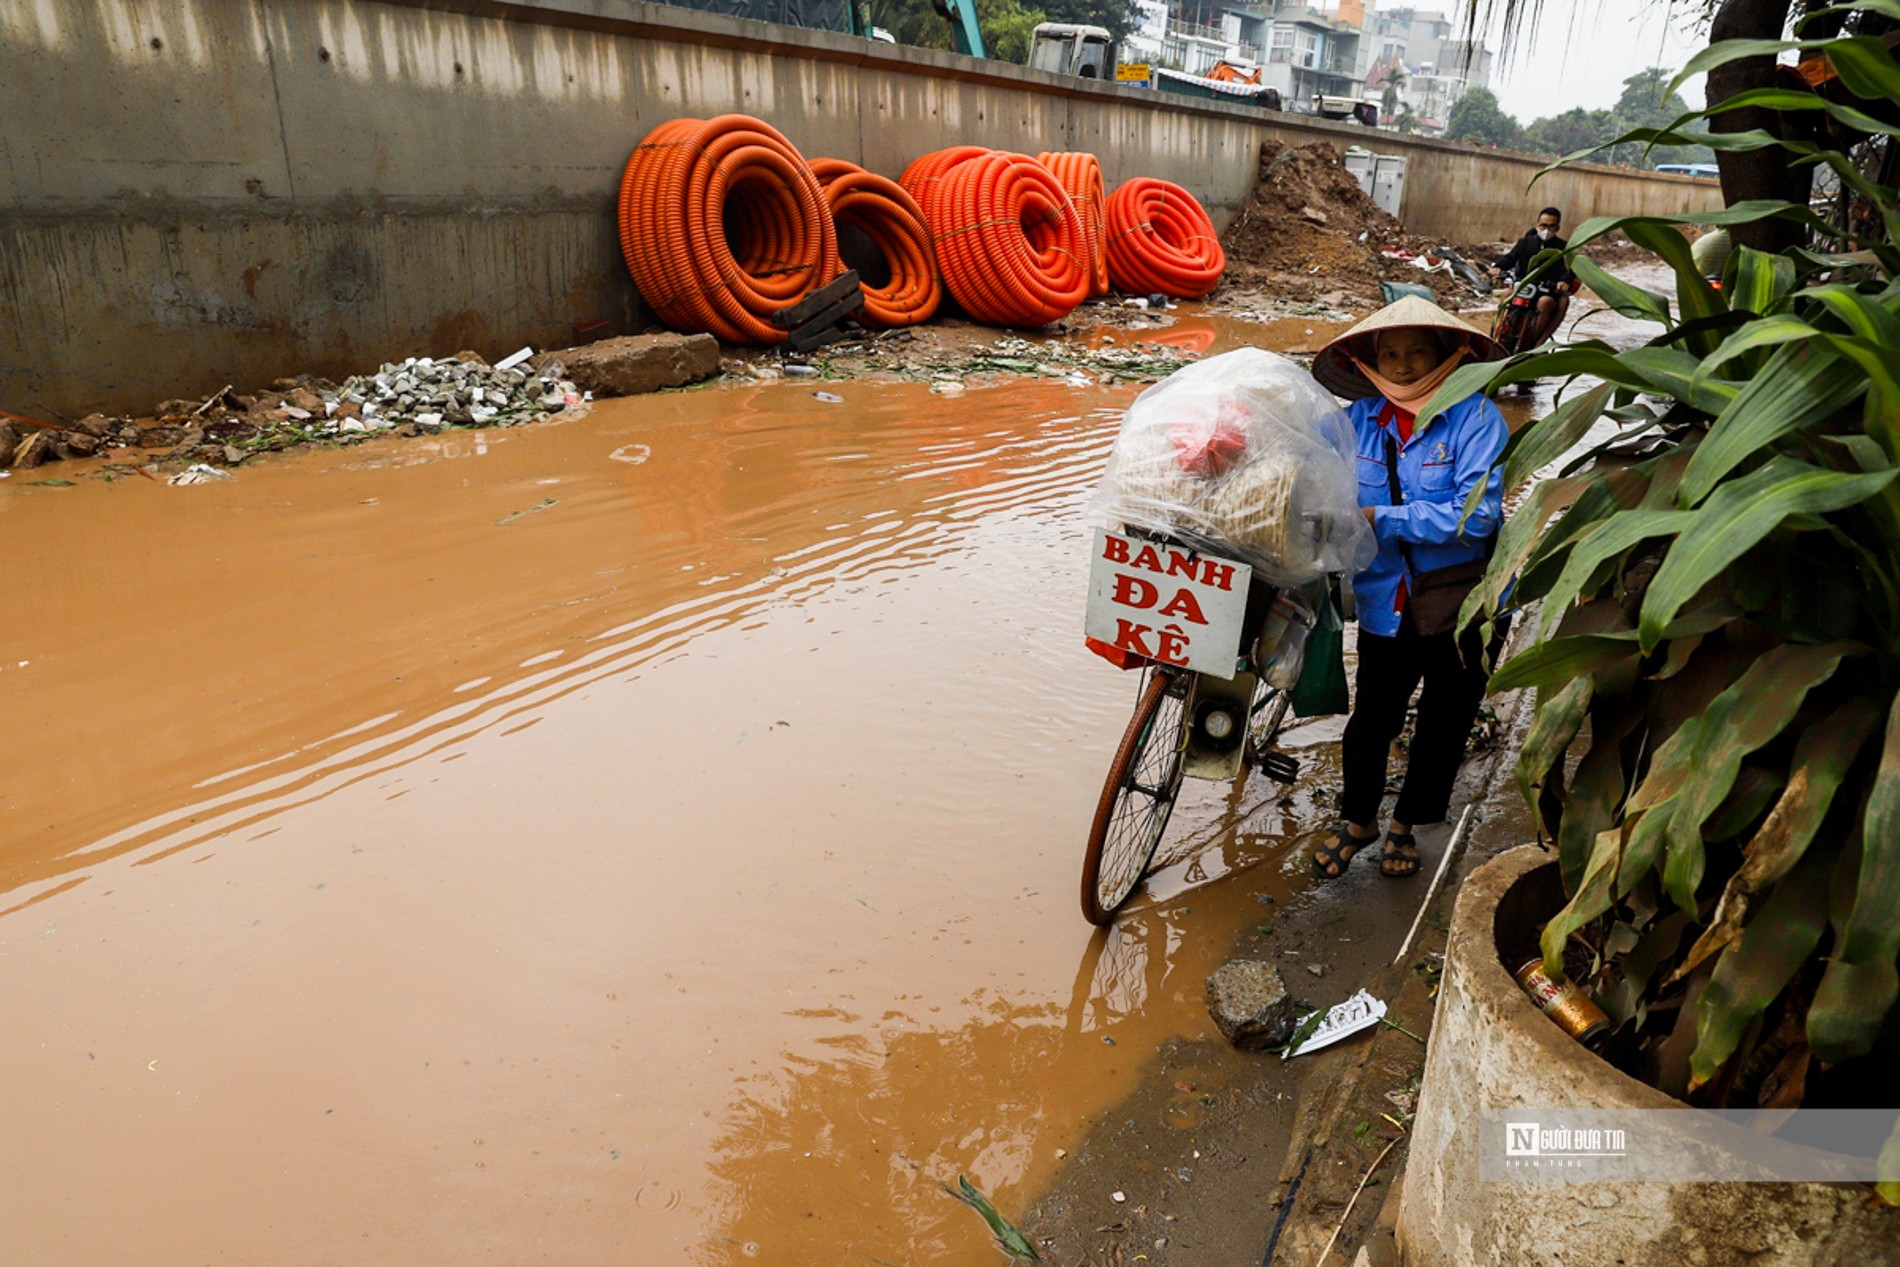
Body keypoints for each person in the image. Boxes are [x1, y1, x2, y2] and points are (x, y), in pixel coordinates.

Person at [1306, 297, 1508, 880]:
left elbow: (1476, 518)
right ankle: (1359, 821)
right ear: (1369, 361)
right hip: (1384, 602)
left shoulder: (1475, 419)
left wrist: (1380, 517)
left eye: (1416, 351)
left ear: (1445, 356)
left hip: (1465, 602)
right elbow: (1299, 460)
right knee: (1372, 719)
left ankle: (1405, 826)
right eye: (1388, 353)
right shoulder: (1354, 421)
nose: (1400, 365)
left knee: (1444, 721)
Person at [1489, 206, 1574, 346]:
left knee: (1545, 303)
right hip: (1522, 286)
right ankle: (1497, 335)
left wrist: (1563, 282)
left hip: (1547, 290)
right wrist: (1498, 267)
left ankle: (1535, 342)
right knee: (1505, 294)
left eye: (1552, 226)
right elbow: (1510, 258)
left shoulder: (1563, 248)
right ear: (1537, 225)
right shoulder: (1525, 243)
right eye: (1543, 225)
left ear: (1558, 228)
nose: (1547, 230)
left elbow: (1568, 271)